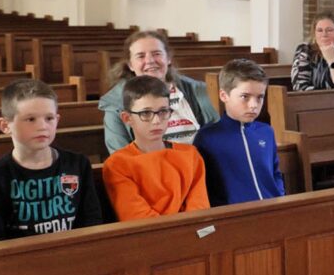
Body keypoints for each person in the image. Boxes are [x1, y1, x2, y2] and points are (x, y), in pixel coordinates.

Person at [0, 79, 102, 240]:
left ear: (57, 120)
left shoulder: (77, 164)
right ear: (5, 125)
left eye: (49, 118)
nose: (42, 126)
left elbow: (92, 221)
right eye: (31, 119)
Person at [102, 75, 209, 221]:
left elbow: (199, 209)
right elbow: (136, 217)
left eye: (163, 111)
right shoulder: (117, 164)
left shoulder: (190, 154)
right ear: (127, 118)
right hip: (150, 238)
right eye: (146, 113)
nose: (157, 121)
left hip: (192, 234)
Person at [98, 30, 218, 154]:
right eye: (141, 56)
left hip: (199, 165)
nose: (150, 60)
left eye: (156, 53)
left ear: (168, 59)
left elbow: (217, 135)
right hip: (148, 169)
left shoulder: (197, 90)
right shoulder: (116, 103)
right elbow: (121, 156)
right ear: (130, 65)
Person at [194, 59, 285, 206]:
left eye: (260, 97)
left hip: (273, 210)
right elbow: (205, 186)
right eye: (245, 97)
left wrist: (279, 196)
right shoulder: (207, 138)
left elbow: (275, 173)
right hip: (234, 217)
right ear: (224, 95)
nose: (253, 105)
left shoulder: (266, 132)